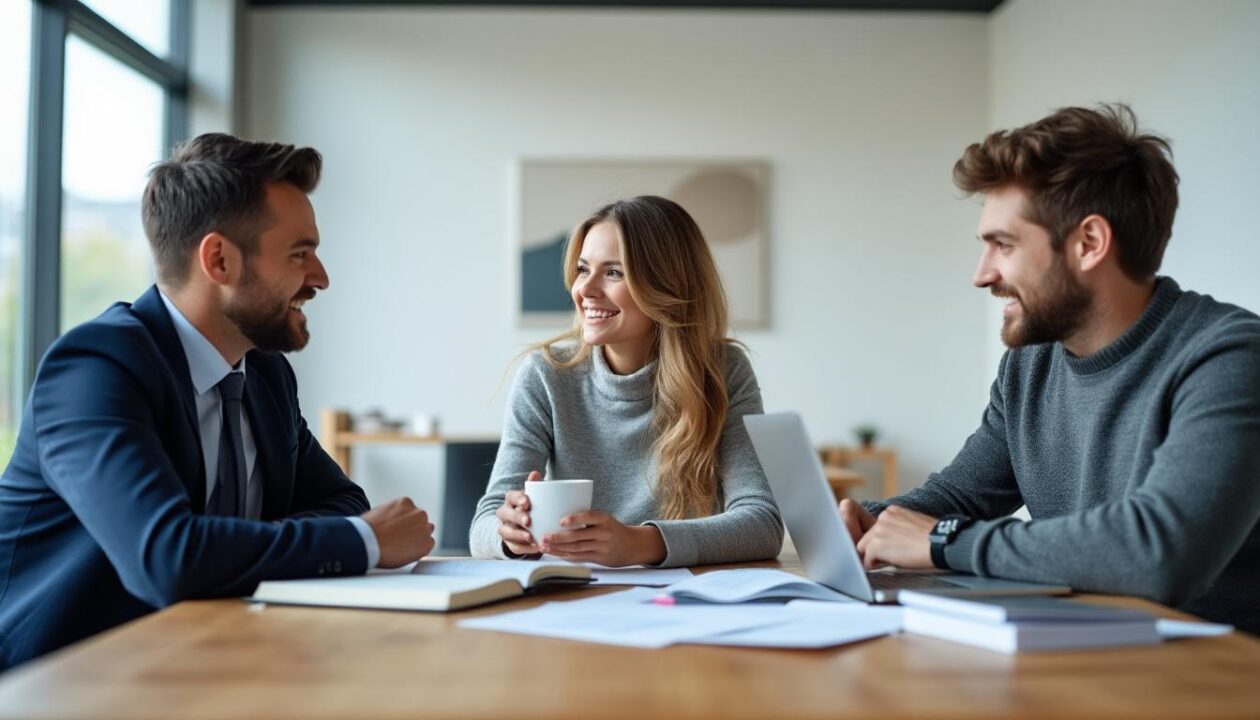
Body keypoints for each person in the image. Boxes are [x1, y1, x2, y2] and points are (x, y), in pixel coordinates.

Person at [0, 134, 436, 670]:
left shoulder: (266, 374)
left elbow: (342, 499)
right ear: (220, 260)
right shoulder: (95, 368)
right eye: (300, 254)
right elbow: (167, 558)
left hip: (204, 662)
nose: (320, 277)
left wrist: (230, 546)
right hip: (59, 685)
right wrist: (361, 541)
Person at [840, 104, 1260, 633]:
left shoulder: (1229, 358)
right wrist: (874, 522)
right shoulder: (1030, 363)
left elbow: (1159, 551)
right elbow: (963, 496)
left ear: (1089, 244)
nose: (982, 274)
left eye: (1004, 245)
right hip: (1080, 652)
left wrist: (944, 541)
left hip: (1214, 681)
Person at [470, 196, 783, 567]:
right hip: (579, 596)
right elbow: (484, 526)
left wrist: (639, 544)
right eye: (584, 269)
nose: (585, 290)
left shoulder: (722, 370)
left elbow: (762, 523)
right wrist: (510, 535)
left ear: (667, 287)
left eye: (614, 273)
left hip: (690, 601)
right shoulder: (546, 375)